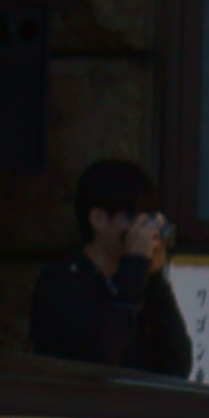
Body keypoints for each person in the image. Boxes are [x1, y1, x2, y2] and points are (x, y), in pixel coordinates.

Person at [24, 158, 190, 375]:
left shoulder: (138, 280)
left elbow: (177, 367)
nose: (146, 228)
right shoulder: (61, 279)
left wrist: (155, 279)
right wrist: (134, 267)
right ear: (99, 219)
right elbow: (102, 355)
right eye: (135, 216)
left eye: (150, 216)